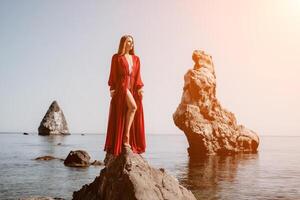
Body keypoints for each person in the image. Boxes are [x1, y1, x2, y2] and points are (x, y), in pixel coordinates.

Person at [104, 35, 146, 156]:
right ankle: (125, 137)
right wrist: (112, 88)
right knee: (133, 107)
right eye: (128, 42)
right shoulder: (116, 57)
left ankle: (126, 137)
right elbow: (113, 74)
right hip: (121, 87)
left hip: (132, 88)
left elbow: (138, 75)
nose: (131, 44)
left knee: (131, 110)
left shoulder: (136, 59)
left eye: (132, 42)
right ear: (123, 43)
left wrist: (140, 88)